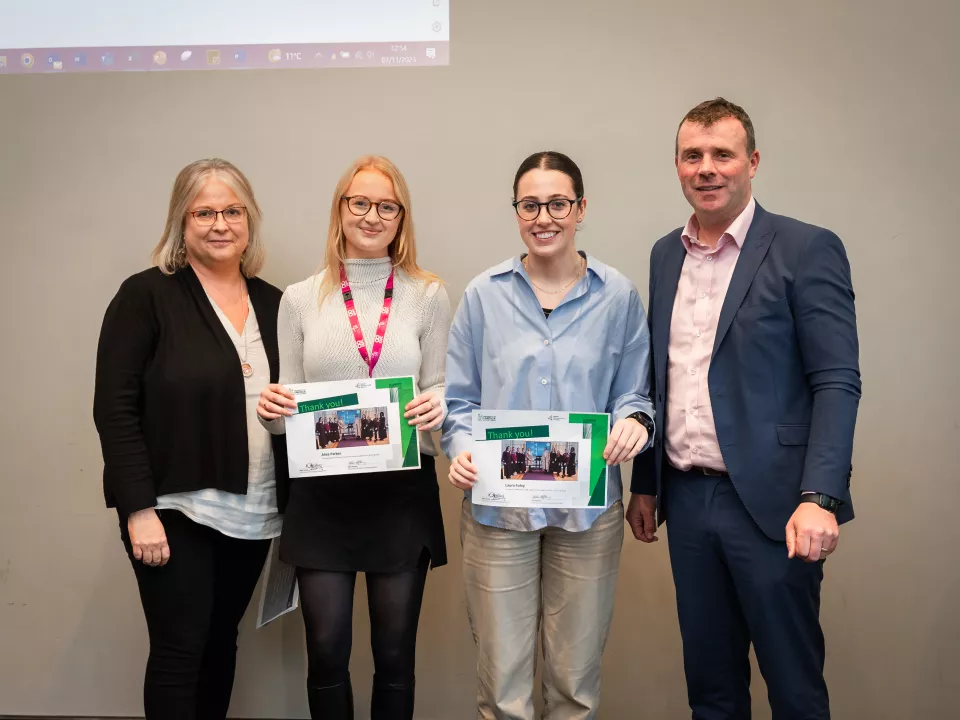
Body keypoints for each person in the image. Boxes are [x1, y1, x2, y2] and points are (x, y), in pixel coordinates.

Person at [628, 98, 861, 720]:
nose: (707, 168)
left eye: (722, 155)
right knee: (711, 691)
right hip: (687, 501)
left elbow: (837, 381)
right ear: (678, 165)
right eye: (692, 156)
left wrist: (821, 496)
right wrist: (645, 483)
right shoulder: (663, 254)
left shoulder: (807, 248)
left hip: (777, 506)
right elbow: (661, 375)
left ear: (751, 162)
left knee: (794, 691)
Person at [442, 151, 655, 719]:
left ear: (580, 209)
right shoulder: (482, 296)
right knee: (502, 688)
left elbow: (634, 393)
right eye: (530, 205)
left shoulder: (619, 298)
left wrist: (635, 422)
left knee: (575, 687)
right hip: (497, 514)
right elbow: (458, 402)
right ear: (516, 212)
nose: (544, 217)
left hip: (587, 516)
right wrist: (461, 449)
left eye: (557, 203)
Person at [255, 155, 450, 720]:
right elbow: (284, 405)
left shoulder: (428, 294)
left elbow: (438, 391)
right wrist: (272, 409)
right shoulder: (299, 298)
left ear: (401, 218)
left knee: (394, 657)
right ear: (340, 211)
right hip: (322, 501)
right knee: (325, 655)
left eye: (387, 206)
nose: (372, 216)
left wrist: (436, 408)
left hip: (399, 497)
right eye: (359, 203)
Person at [93, 158, 286, 720]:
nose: (220, 223)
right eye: (205, 212)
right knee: (180, 650)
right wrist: (138, 508)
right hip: (175, 508)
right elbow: (115, 408)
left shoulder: (276, 303)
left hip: (255, 508)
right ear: (182, 221)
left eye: (233, 211)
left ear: (250, 220)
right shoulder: (147, 296)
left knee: (220, 643)